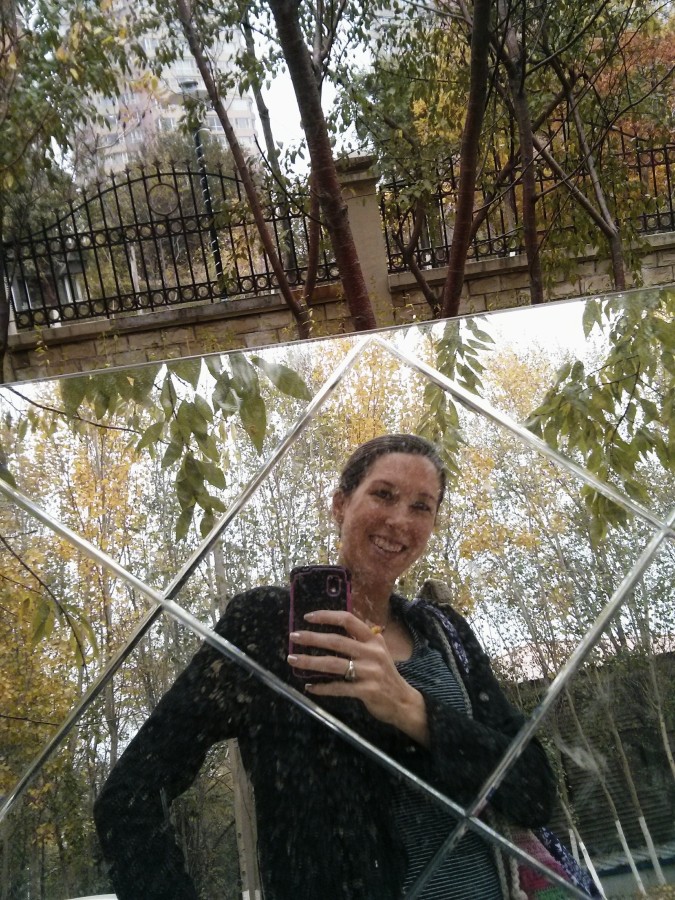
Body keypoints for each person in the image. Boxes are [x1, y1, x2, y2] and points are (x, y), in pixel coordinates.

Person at [94, 434, 557, 899]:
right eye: (383, 494)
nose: (400, 520)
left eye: (422, 506)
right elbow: (129, 797)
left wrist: (413, 710)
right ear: (340, 505)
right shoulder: (268, 628)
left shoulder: (444, 633)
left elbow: (534, 792)